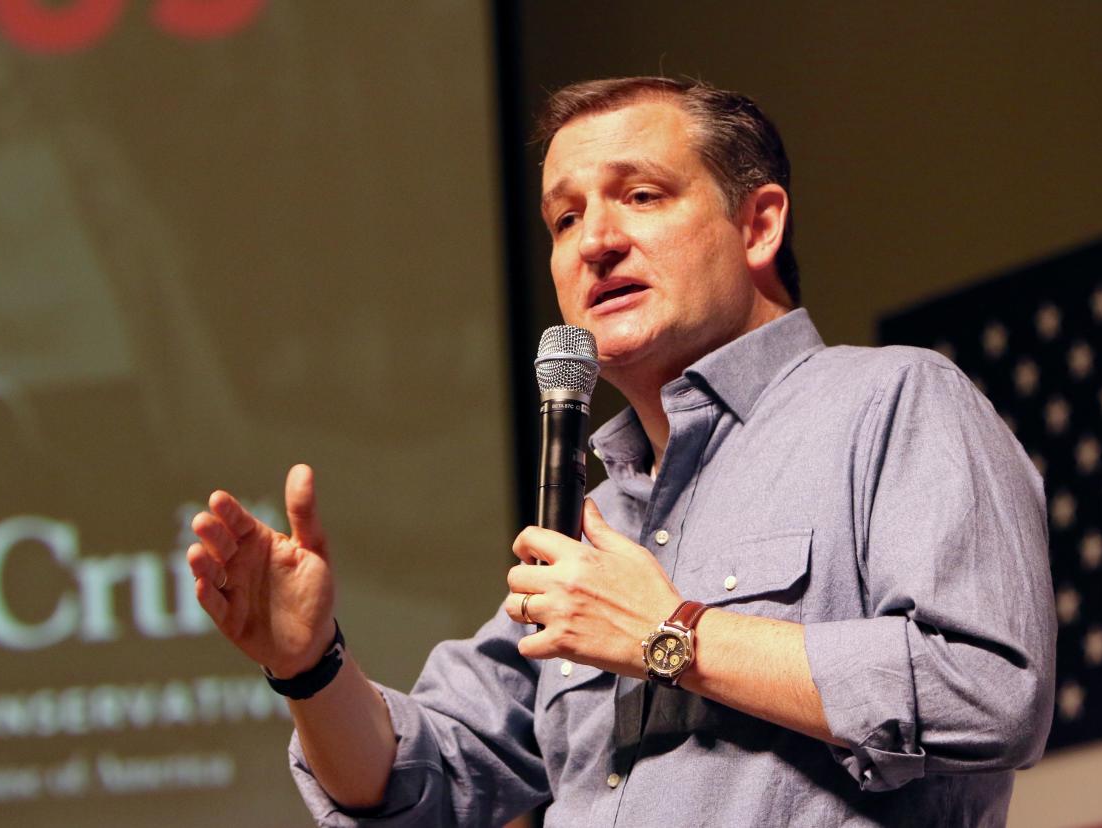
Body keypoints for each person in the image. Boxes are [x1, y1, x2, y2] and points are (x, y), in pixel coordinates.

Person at [186, 77, 1056, 825]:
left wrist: (669, 636)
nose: (594, 240)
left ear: (759, 226)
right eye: (565, 218)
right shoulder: (605, 517)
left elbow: (987, 690)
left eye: (640, 195)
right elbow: (430, 782)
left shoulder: (890, 403)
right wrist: (310, 668)